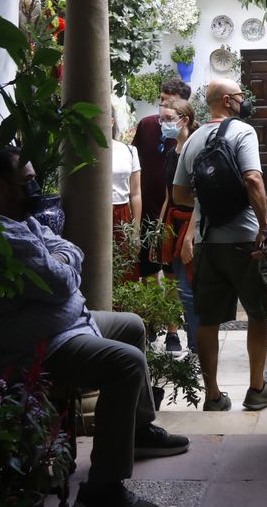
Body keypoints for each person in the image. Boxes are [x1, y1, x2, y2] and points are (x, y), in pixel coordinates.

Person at [0, 147, 188, 507]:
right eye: (29, 182)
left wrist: (63, 262)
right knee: (125, 362)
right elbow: (61, 281)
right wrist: (63, 265)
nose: (36, 188)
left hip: (63, 325)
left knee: (130, 326)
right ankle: (104, 487)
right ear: (1, 188)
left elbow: (66, 249)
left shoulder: (21, 219)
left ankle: (137, 429)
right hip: (36, 346)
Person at [170, 77, 267, 412]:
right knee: (259, 312)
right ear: (230, 101)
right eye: (241, 96)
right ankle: (257, 388)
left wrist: (209, 203)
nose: (244, 100)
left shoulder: (193, 140)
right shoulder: (242, 131)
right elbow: (253, 179)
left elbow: (179, 194)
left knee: (208, 318)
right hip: (246, 240)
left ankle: (213, 395)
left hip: (208, 241)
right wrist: (264, 226)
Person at [133, 78, 193, 279]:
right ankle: (152, 310)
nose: (164, 107)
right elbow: (135, 163)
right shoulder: (147, 125)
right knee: (147, 267)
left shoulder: (191, 138)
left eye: (170, 103)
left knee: (173, 270)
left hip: (177, 211)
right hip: (148, 205)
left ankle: (173, 310)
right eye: (162, 101)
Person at [154, 96, 198, 353]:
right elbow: (169, 194)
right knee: (178, 287)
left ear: (185, 120)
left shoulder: (196, 148)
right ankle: (192, 342)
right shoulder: (172, 153)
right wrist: (161, 228)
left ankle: (196, 346)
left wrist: (190, 235)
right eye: (162, 119)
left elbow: (199, 197)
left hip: (191, 224)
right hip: (173, 222)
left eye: (168, 119)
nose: (163, 124)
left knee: (189, 289)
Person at [109, 112, 142, 282]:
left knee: (125, 269)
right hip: (95, 214)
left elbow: (135, 194)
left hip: (122, 215)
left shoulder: (129, 150)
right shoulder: (84, 151)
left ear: (111, 121)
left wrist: (135, 230)